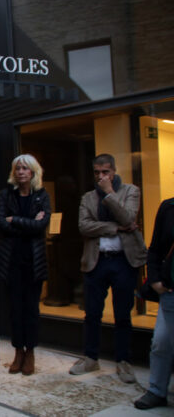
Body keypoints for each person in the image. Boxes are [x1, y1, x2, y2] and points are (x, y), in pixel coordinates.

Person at [69, 153, 147, 383]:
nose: (101, 176)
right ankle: (91, 358)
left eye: (105, 172)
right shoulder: (88, 197)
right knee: (92, 313)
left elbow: (128, 217)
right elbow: (84, 226)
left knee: (122, 314)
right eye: (97, 172)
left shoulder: (130, 191)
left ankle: (123, 361)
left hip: (124, 260)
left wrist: (110, 194)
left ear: (113, 171)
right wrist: (116, 228)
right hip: (97, 260)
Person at [0, 154, 51, 376]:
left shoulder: (42, 196)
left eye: (25, 168)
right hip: (11, 262)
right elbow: (0, 222)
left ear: (33, 171)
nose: (20, 172)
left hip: (34, 263)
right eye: (17, 168)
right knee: (15, 310)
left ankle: (30, 352)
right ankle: (18, 352)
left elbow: (42, 225)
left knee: (31, 310)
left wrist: (15, 220)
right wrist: (29, 224)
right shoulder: (5, 195)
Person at [134, 197, 174, 410]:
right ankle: (157, 390)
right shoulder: (168, 207)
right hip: (169, 290)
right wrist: (155, 279)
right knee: (161, 342)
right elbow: (156, 248)